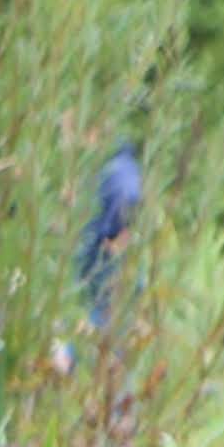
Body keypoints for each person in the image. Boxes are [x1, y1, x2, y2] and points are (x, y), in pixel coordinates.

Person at [78, 138, 142, 330]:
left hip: (104, 267)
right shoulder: (115, 167)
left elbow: (127, 199)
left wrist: (115, 238)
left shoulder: (116, 171)